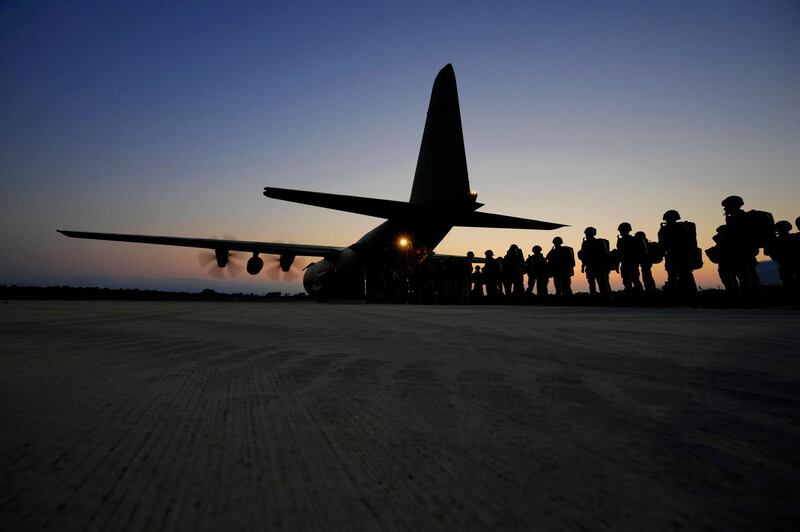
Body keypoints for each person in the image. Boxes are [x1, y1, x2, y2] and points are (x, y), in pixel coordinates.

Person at [722, 195, 773, 297]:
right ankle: (752, 296)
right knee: (749, 274)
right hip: (746, 251)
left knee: (745, 275)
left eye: (726, 207)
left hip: (742, 251)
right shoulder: (737, 219)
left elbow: (736, 237)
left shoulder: (739, 219)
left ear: (732, 206)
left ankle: (749, 297)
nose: (724, 209)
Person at [657, 210, 697, 299]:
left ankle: (683, 296)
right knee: (680, 276)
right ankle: (686, 296)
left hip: (678, 255)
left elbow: (662, 243)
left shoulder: (670, 229)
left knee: (681, 276)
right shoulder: (680, 227)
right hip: (679, 255)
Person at [577, 227, 610, 297]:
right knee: (591, 284)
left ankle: (605, 298)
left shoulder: (599, 242)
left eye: (588, 233)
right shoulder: (585, 243)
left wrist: (603, 265)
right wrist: (583, 266)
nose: (586, 235)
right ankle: (594, 298)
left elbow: (604, 255)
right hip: (589, 266)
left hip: (599, 266)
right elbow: (583, 255)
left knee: (602, 283)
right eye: (586, 233)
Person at [765, 221, 796, 290]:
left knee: (788, 283)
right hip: (793, 264)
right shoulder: (794, 237)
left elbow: (766, 252)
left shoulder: (774, 241)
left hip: (784, 265)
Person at [706, 225, 738, 293]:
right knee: (730, 279)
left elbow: (716, 240)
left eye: (719, 233)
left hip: (726, 263)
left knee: (729, 279)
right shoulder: (725, 241)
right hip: (725, 263)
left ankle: (733, 294)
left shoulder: (726, 241)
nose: (718, 234)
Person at [617, 222, 645, 293]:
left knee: (634, 279)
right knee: (627, 279)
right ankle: (630, 292)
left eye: (622, 230)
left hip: (632, 262)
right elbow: (619, 253)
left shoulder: (634, 240)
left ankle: (637, 293)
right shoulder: (621, 241)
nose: (621, 232)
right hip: (626, 263)